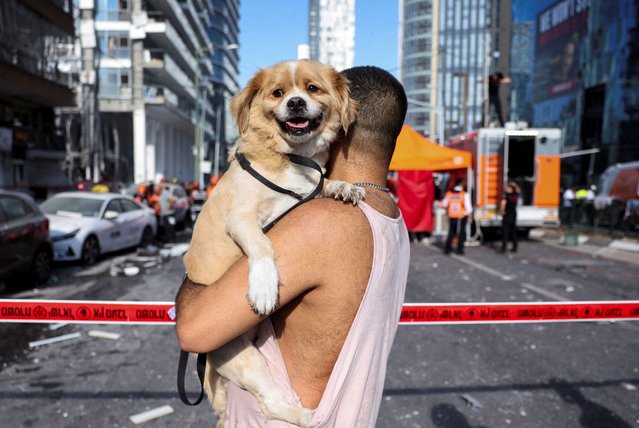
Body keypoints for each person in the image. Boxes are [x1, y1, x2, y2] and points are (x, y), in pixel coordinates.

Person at [175, 66, 409, 427]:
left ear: (343, 118)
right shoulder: (392, 221)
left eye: (314, 92)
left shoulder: (321, 221)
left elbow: (193, 329)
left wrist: (204, 250)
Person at [441, 178, 473, 255]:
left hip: (452, 216)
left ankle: (447, 249)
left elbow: (443, 204)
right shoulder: (464, 194)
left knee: (451, 233)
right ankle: (459, 250)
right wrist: (470, 217)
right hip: (461, 217)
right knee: (461, 233)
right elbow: (468, 208)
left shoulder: (449, 194)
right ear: (462, 184)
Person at [500, 181, 520, 253]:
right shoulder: (515, 195)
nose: (507, 189)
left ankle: (503, 248)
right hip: (513, 215)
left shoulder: (506, 195)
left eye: (508, 188)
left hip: (507, 215)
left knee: (505, 232)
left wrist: (502, 210)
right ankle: (515, 247)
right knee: (513, 232)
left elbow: (503, 203)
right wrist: (514, 185)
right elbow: (518, 189)